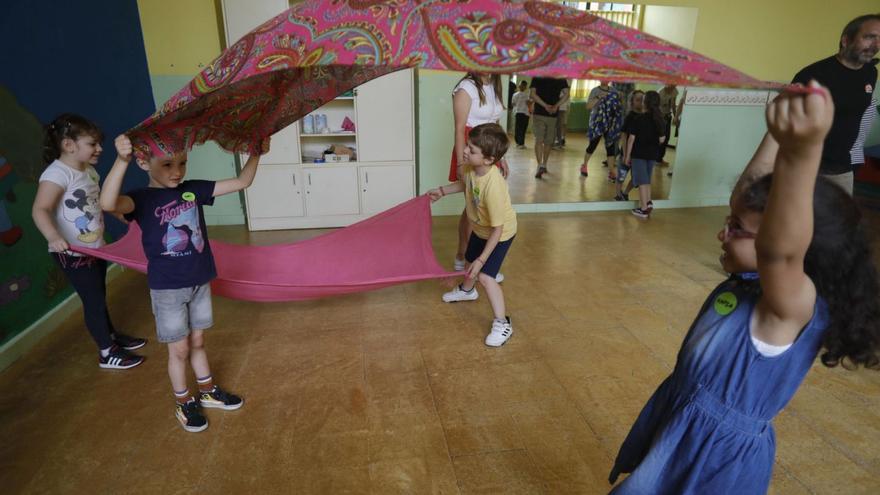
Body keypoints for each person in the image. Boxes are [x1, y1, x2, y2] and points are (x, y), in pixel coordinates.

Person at [609, 82, 880, 494]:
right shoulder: (751, 282)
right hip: (684, 422)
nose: (722, 233)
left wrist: (804, 150)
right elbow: (748, 200)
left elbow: (778, 250)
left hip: (717, 457)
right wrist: (774, 132)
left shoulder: (788, 308)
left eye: (736, 229)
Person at [100, 134, 266, 432]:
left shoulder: (193, 190)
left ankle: (208, 391)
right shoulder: (139, 199)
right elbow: (107, 202)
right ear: (143, 162)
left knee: (198, 341)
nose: (176, 171)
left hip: (200, 280)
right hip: (168, 288)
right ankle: (184, 401)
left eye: (182, 163)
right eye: (166, 165)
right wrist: (120, 160)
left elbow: (242, 182)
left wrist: (257, 152)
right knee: (178, 350)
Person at [32, 114, 146, 370]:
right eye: (93, 144)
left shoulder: (88, 170)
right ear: (69, 145)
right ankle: (107, 352)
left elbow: (100, 204)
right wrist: (54, 237)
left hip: (95, 249)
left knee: (99, 295)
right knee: (93, 300)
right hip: (72, 253)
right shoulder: (57, 174)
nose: (100, 149)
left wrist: (124, 218)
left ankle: (112, 337)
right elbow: (39, 209)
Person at [428, 124, 517, 347]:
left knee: (485, 276)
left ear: (488, 159)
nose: (465, 151)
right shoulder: (471, 169)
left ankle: (502, 322)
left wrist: (482, 260)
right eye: (467, 145)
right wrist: (441, 191)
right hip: (481, 228)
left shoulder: (493, 186)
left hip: (500, 233)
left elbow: (498, 229)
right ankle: (467, 291)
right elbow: (464, 184)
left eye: (472, 149)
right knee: (469, 259)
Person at [791, 13, 880, 195]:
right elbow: (788, 120)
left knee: (839, 222)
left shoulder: (871, 72)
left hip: (842, 168)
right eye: (870, 37)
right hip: (805, 167)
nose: (877, 45)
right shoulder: (813, 75)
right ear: (846, 40)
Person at [450, 72, 507, 280]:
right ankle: (463, 255)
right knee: (472, 206)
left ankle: (482, 263)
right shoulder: (466, 88)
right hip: (471, 151)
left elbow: (496, 127)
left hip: (489, 152)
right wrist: (461, 161)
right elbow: (458, 130)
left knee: (484, 207)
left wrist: (501, 156)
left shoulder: (496, 86)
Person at [623, 91, 665, 218]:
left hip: (639, 155)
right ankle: (648, 202)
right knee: (646, 179)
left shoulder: (639, 119)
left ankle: (643, 209)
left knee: (642, 181)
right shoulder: (660, 119)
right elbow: (662, 139)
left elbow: (631, 139)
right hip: (652, 155)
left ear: (645, 103)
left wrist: (627, 156)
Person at [580, 81, 623, 181]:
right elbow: (588, 106)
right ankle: (584, 165)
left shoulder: (614, 91)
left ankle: (611, 171)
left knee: (611, 147)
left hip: (610, 122)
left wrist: (619, 98)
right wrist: (598, 97)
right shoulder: (595, 91)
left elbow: (617, 106)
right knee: (593, 145)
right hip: (597, 122)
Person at [529, 77, 569, 178]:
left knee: (544, 140)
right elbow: (567, 94)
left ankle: (542, 165)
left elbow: (533, 94)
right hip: (547, 113)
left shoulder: (558, 77)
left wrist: (548, 106)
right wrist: (554, 106)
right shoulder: (558, 77)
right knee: (546, 140)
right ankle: (542, 165)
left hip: (545, 113)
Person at [614, 90, 645, 201]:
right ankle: (618, 194)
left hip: (639, 154)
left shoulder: (646, 117)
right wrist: (626, 153)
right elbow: (624, 135)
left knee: (636, 177)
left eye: (643, 100)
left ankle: (625, 193)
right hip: (627, 153)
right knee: (621, 175)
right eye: (638, 100)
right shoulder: (630, 117)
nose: (641, 102)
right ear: (632, 102)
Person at [657, 84, 679, 165]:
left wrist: (675, 116)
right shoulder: (660, 92)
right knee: (661, 138)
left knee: (667, 138)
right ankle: (657, 158)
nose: (674, 87)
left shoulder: (674, 91)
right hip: (661, 117)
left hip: (667, 116)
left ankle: (659, 158)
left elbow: (673, 105)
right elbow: (656, 106)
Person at [511, 80, 531, 149]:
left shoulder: (515, 95)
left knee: (519, 128)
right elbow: (529, 104)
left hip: (520, 113)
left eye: (522, 85)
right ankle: (521, 143)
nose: (521, 86)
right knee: (522, 128)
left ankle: (518, 142)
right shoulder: (527, 95)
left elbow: (513, 104)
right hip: (523, 113)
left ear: (525, 87)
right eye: (521, 85)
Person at [554, 82, 571, 148]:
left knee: (561, 125)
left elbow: (568, 105)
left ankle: (560, 140)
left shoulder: (567, 95)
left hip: (562, 110)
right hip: (557, 109)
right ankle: (557, 141)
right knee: (557, 126)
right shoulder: (559, 92)